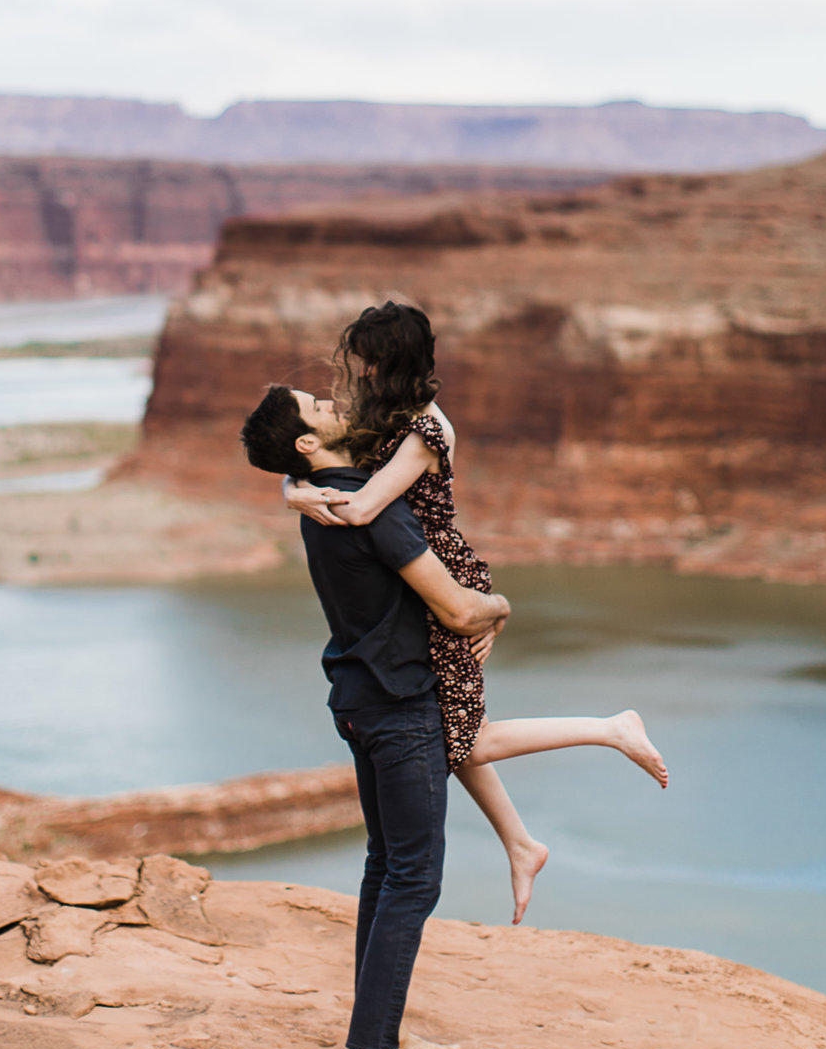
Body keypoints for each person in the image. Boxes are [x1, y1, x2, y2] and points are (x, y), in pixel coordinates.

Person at [283, 301, 669, 925]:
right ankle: (522, 844)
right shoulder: (385, 416)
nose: (356, 374)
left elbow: (361, 507)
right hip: (414, 584)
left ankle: (611, 730)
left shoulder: (422, 431)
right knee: (447, 734)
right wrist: (293, 487)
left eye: (365, 361)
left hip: (445, 588)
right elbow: (317, 459)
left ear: (385, 362)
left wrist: (304, 496)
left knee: (464, 738)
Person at [239, 383, 510, 1049]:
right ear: (307, 442)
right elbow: (455, 609)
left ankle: (376, 1027)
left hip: (360, 700)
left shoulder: (323, 503)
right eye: (319, 407)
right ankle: (372, 1043)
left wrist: (291, 486)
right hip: (399, 704)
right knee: (415, 874)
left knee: (385, 864)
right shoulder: (370, 509)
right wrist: (499, 603)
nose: (334, 403)